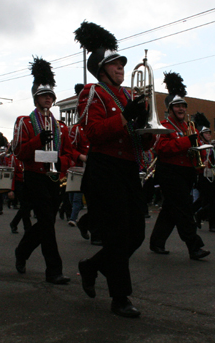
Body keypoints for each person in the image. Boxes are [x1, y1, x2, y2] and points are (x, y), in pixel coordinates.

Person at [74, 21, 154, 318]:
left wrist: (146, 131)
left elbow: (140, 143)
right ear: (101, 70)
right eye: (115, 64)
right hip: (104, 167)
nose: (121, 68)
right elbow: (92, 133)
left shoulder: (127, 97)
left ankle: (92, 266)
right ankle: (120, 297)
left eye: (122, 64)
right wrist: (125, 118)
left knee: (136, 234)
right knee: (119, 233)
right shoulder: (91, 93)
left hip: (128, 166)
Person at [12, 56, 73, 284]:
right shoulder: (25, 122)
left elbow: (69, 154)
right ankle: (53, 270)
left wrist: (61, 160)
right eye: (43, 96)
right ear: (36, 98)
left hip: (54, 176)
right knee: (47, 223)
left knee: (46, 222)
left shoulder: (61, 126)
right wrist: (38, 141)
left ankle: (22, 251)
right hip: (34, 176)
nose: (48, 99)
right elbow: (19, 153)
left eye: (50, 96)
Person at [149, 72, 210, 260]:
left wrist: (200, 165)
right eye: (178, 106)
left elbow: (195, 148)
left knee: (170, 209)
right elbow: (162, 149)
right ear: (171, 108)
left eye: (184, 105)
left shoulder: (189, 127)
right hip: (169, 172)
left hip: (186, 172)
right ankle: (194, 246)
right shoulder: (164, 125)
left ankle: (156, 242)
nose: (182, 108)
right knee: (184, 209)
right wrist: (187, 141)